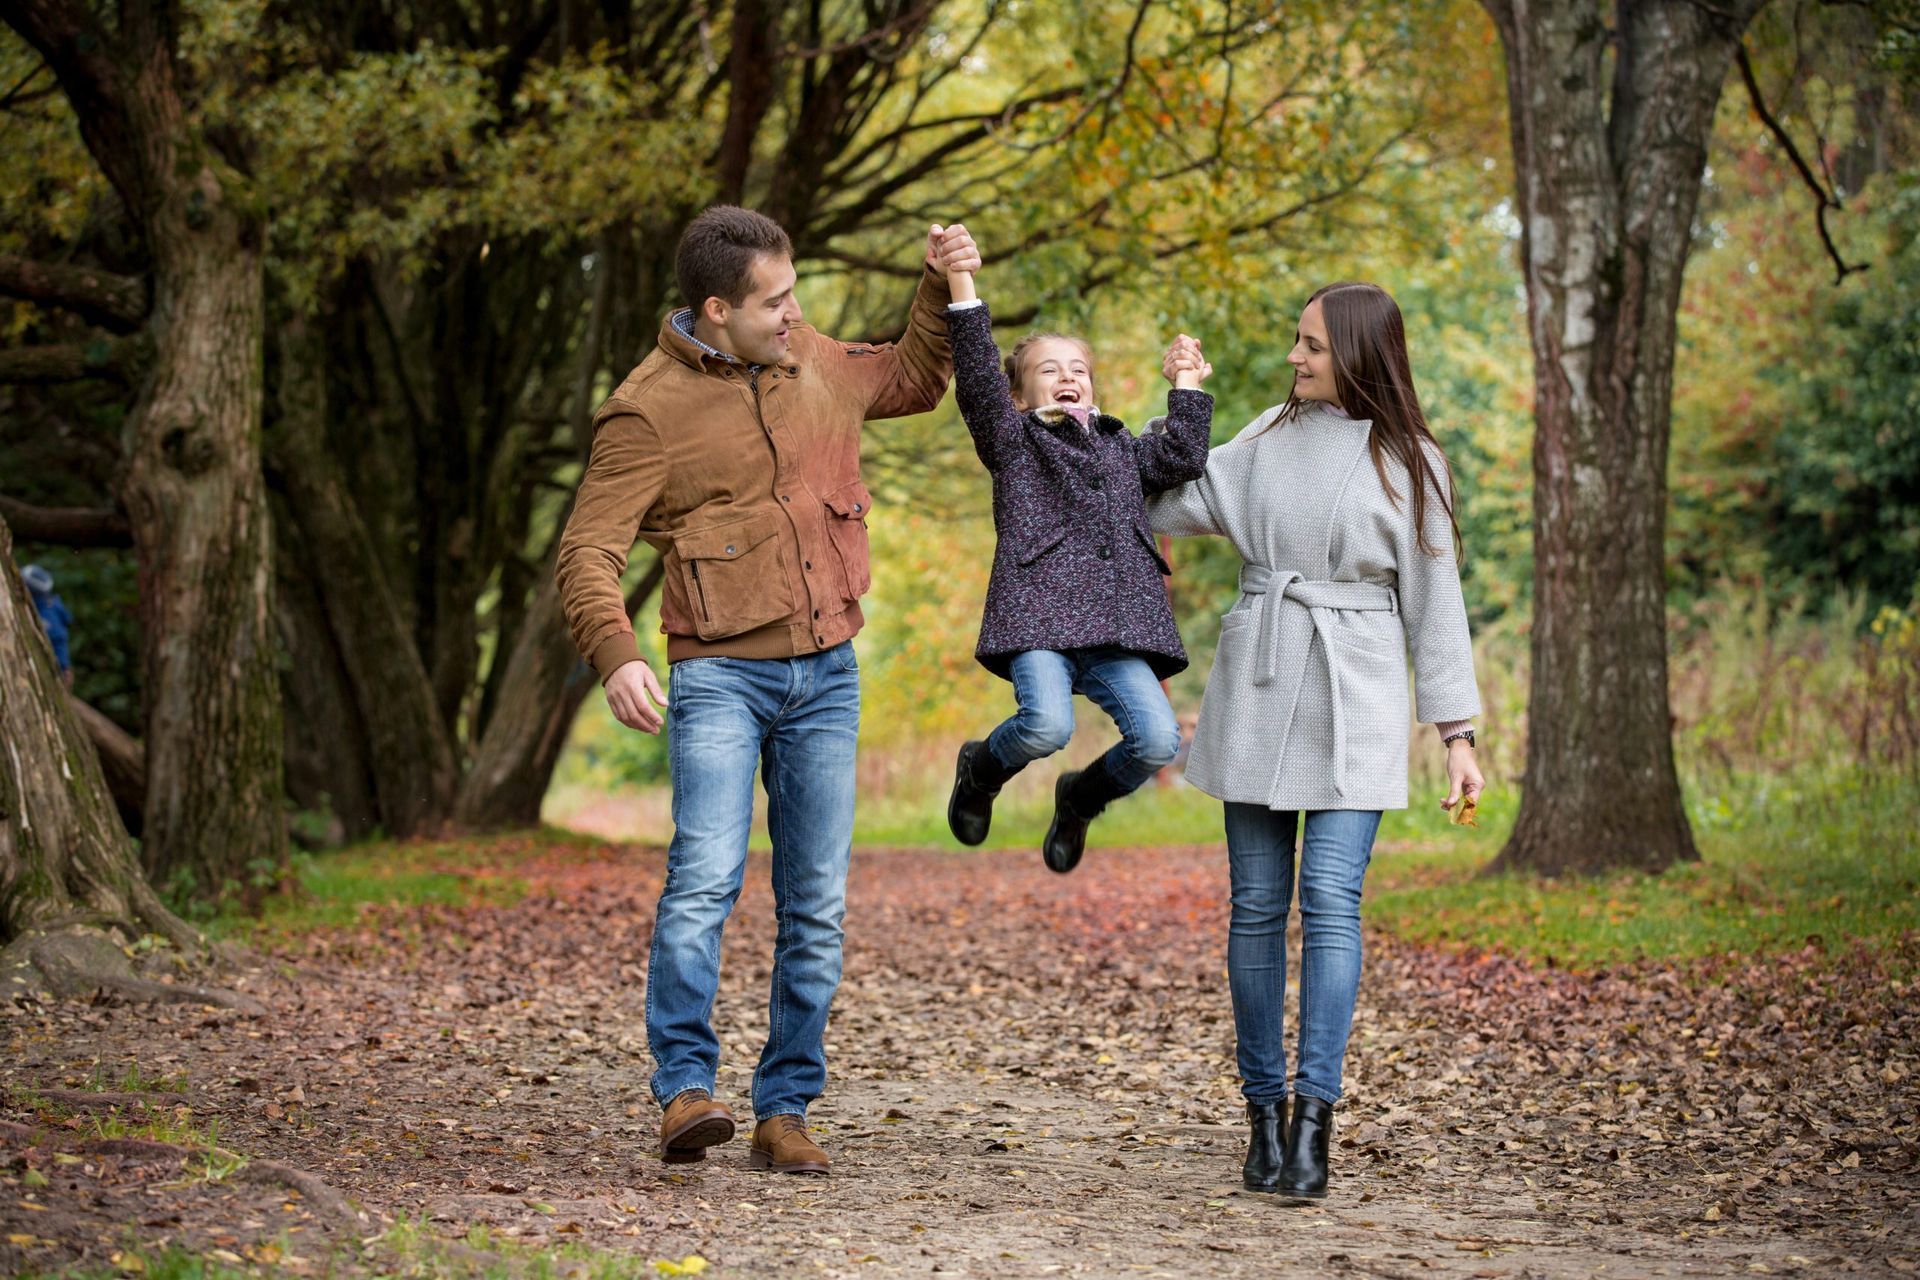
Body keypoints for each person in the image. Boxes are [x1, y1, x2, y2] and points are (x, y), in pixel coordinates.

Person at [555, 206, 976, 1176]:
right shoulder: (645, 410)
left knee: (816, 901)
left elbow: (912, 378)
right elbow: (587, 549)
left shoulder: (809, 357)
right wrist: (617, 651)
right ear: (717, 308)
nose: (795, 313)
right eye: (775, 300)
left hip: (829, 671)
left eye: (795, 294)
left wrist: (936, 283)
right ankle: (686, 1092)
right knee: (704, 879)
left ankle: (786, 1105)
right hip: (718, 676)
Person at [1146, 282, 1486, 1200]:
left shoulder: (1412, 461)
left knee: (1331, 902)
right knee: (1257, 907)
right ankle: (1261, 1114)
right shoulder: (1265, 435)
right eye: (1297, 343)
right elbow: (1168, 498)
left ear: (1358, 358)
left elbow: (1436, 602)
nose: (1294, 359)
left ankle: (1313, 1125)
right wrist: (1163, 412)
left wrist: (1457, 734)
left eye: (1311, 347)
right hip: (1261, 671)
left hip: (1357, 685)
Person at [940, 255, 1214, 871]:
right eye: (1049, 370)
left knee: (1158, 741)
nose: (1069, 378)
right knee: (1044, 726)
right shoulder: (1013, 440)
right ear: (1018, 392)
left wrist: (1187, 381)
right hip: (1040, 619)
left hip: (1118, 626)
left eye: (1079, 370)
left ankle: (1080, 799)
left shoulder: (1121, 447)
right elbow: (979, 377)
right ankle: (981, 770)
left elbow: (1183, 455)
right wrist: (961, 281)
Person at [21, 564, 73, 688]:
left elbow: (58, 639)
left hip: (52, 667)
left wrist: (64, 666)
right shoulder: (51, 603)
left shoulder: (47, 616)